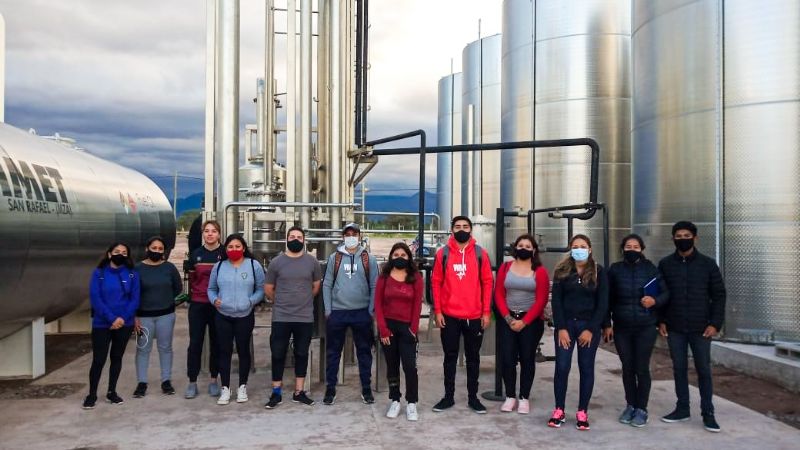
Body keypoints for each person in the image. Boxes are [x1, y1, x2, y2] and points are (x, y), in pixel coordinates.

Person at [658, 221, 726, 433]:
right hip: (675, 327)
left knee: (703, 369)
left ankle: (708, 412)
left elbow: (719, 295)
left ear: (695, 238)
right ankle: (682, 408)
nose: (683, 239)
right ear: (673, 239)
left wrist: (715, 323)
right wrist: (661, 320)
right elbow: (661, 294)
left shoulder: (707, 264)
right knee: (679, 368)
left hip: (701, 327)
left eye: (687, 236)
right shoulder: (666, 264)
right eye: (678, 236)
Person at [602, 234, 669, 427]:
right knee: (628, 367)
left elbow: (666, 293)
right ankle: (630, 404)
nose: (632, 250)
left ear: (642, 249)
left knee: (641, 367)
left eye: (636, 247)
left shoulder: (650, 269)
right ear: (623, 249)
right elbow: (606, 298)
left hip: (645, 326)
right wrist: (607, 324)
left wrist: (654, 301)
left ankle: (642, 408)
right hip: (622, 327)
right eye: (628, 247)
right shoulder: (615, 270)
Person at [431, 215, 494, 414]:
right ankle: (448, 397)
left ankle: (473, 398)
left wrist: (486, 312)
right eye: (457, 226)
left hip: (474, 316)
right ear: (451, 230)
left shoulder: (480, 254)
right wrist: (438, 311)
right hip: (449, 316)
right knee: (449, 357)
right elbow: (436, 283)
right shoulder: (443, 254)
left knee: (473, 358)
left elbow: (487, 283)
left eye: (465, 226)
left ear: (471, 230)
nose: (461, 229)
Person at [548, 234, 608, 430]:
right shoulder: (562, 271)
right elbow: (556, 302)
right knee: (562, 367)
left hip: (588, 327)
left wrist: (591, 329)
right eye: (575, 246)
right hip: (566, 326)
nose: (579, 249)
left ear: (590, 249)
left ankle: (583, 411)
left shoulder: (599, 272)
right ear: (570, 249)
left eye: (583, 246)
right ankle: (559, 409)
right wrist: (561, 328)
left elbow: (603, 303)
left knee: (586, 367)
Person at [263, 226, 322, 409]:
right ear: (286, 239)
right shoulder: (276, 263)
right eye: (292, 236)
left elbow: (316, 286)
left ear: (304, 240)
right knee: (278, 353)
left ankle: (299, 392)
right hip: (281, 316)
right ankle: (276, 392)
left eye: (299, 237)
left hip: (304, 316)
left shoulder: (312, 262)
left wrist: (303, 300)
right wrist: (281, 301)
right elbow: (269, 288)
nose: (295, 239)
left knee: (301, 353)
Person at [321, 223, 379, 405]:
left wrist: (370, 310)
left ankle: (366, 388)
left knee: (364, 352)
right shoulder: (335, 258)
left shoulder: (368, 258)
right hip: (338, 312)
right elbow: (327, 284)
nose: (351, 237)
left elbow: (374, 285)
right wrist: (328, 310)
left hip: (361, 312)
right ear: (343, 237)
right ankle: (330, 388)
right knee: (333, 352)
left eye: (354, 234)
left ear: (359, 236)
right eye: (348, 234)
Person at [494, 234, 550, 414]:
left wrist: (524, 322)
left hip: (531, 321)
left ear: (534, 250)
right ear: (515, 248)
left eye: (528, 246)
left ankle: (524, 397)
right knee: (507, 359)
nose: (523, 248)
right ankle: (510, 396)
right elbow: (498, 294)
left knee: (527, 358)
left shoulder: (540, 271)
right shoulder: (505, 267)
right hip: (508, 319)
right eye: (520, 245)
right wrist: (509, 318)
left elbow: (541, 300)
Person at [208, 234, 265, 405]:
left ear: (244, 248)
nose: (234, 250)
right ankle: (225, 388)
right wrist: (214, 300)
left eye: (238, 246)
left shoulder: (253, 265)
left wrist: (251, 301)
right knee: (224, 351)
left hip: (244, 316)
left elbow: (261, 289)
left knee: (243, 350)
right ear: (226, 249)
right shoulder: (219, 266)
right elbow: (211, 289)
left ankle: (242, 386)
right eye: (230, 247)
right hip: (223, 315)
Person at [83, 243, 140, 409]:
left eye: (124, 252)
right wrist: (112, 319)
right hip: (102, 324)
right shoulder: (99, 273)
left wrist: (123, 318)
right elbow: (96, 298)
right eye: (116, 252)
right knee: (99, 359)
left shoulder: (132, 274)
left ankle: (111, 391)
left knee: (117, 358)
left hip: (124, 323)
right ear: (109, 254)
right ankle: (92, 394)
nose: (120, 254)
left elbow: (135, 299)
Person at [374, 242, 424, 421]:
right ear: (391, 257)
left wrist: (413, 329)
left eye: (403, 255)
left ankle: (411, 402)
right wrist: (383, 329)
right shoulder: (384, 277)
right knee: (392, 366)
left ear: (409, 257)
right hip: (388, 328)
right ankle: (395, 399)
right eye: (396, 255)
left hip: (407, 328)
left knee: (410, 367)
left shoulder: (415, 277)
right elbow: (378, 304)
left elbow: (418, 304)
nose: (399, 258)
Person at [132, 236, 183, 398]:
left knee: (165, 348)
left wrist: (166, 301)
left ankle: (166, 381)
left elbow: (178, 288)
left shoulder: (169, 268)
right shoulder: (138, 269)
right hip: (144, 317)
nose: (157, 251)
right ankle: (142, 383)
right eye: (154, 248)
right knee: (143, 349)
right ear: (147, 249)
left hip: (166, 316)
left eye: (160, 249)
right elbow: (132, 293)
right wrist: (134, 316)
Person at [185, 220, 224, 399]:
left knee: (217, 343)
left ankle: (214, 380)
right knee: (195, 343)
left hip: (218, 305)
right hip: (198, 304)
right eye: (206, 231)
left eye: (213, 231)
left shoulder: (224, 254)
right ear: (203, 234)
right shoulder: (196, 255)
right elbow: (192, 280)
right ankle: (192, 382)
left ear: (219, 234)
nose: (210, 234)